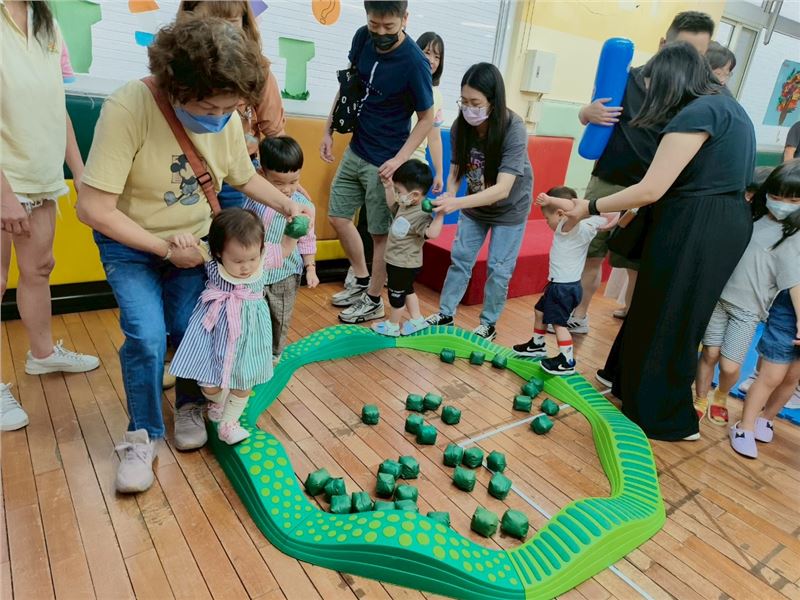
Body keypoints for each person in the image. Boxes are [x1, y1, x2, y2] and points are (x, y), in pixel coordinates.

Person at [77, 17, 309, 493]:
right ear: (176, 87)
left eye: (230, 108)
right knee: (145, 336)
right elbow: (93, 208)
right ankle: (143, 435)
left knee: (192, 326)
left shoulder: (226, 117)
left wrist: (287, 204)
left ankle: (189, 405)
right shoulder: (129, 107)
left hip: (197, 243)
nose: (220, 117)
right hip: (131, 244)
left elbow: (242, 175)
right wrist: (165, 249)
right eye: (208, 107)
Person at [563, 42, 756, 442]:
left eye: (653, 87)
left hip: (699, 224)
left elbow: (653, 187)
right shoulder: (726, 106)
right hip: (712, 220)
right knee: (656, 306)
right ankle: (629, 386)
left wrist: (590, 206)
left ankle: (664, 416)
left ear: (672, 82)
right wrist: (624, 210)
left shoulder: (699, 112)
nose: (651, 97)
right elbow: (675, 180)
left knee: (672, 314)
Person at [568, 10, 716, 333]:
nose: (688, 60)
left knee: (637, 265)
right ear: (663, 44)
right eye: (681, 49)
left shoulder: (692, 96)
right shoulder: (626, 78)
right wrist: (586, 112)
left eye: (697, 54)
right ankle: (579, 314)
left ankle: (631, 331)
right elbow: (589, 114)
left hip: (650, 191)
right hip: (608, 180)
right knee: (591, 253)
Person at [0, 0, 100, 432]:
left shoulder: (47, 24)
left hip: (41, 177)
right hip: (4, 177)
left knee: (39, 268)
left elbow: (57, 107)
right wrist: (4, 194)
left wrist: (81, 176)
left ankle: (42, 355)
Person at [321, 0, 434, 324]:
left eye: (389, 27)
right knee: (338, 216)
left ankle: (373, 299)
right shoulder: (362, 37)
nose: (380, 33)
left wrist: (399, 159)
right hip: (356, 148)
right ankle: (360, 279)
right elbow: (348, 85)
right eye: (374, 25)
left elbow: (427, 118)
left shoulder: (415, 62)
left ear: (404, 19)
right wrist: (329, 129)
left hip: (385, 161)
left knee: (380, 234)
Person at [168, 209, 297, 446]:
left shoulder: (264, 257)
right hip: (215, 328)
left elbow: (286, 247)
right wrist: (185, 238)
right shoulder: (210, 256)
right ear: (219, 252)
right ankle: (218, 401)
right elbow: (193, 244)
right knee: (208, 382)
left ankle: (229, 424)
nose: (246, 267)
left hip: (249, 331)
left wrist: (294, 230)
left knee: (244, 379)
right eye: (237, 261)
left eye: (252, 259)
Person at [425, 63, 534, 341]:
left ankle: (488, 324)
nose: (469, 109)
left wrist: (457, 203)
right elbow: (456, 170)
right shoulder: (461, 127)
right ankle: (445, 313)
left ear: (493, 102)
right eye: (464, 101)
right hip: (474, 205)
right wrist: (450, 194)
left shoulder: (513, 129)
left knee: (499, 268)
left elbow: (503, 189)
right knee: (460, 259)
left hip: (509, 208)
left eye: (476, 103)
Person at [694, 160, 800, 426]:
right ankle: (701, 397)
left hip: (749, 310)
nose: (782, 204)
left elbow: (794, 283)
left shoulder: (793, 236)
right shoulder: (750, 218)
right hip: (718, 299)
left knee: (730, 366)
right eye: (777, 197)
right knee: (709, 354)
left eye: (793, 200)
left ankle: (721, 394)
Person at [177, 0, 286, 209]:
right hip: (185, 165)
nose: (221, 30)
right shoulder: (178, 66)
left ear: (244, 23)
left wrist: (285, 180)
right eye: (210, 20)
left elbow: (275, 132)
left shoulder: (258, 69)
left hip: (237, 170)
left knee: (235, 227)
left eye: (232, 21)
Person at [513, 188, 618, 375]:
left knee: (558, 324)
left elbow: (571, 207)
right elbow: (610, 214)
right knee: (540, 311)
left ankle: (567, 360)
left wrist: (549, 199)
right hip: (566, 286)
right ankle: (537, 344)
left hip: (562, 287)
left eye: (547, 219)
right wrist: (612, 219)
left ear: (561, 214)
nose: (547, 223)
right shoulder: (590, 224)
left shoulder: (567, 227)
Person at [244, 136, 318, 362]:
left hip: (285, 272)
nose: (287, 190)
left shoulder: (304, 206)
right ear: (261, 174)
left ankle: (274, 354)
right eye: (278, 183)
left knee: (280, 314)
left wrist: (311, 267)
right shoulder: (253, 198)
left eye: (294, 181)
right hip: (256, 270)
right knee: (252, 313)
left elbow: (307, 239)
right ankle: (251, 354)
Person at [371, 159, 444, 337]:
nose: (397, 195)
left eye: (399, 191)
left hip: (404, 264)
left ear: (415, 195)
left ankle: (393, 325)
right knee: (408, 290)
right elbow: (392, 206)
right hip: (398, 261)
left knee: (396, 295)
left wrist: (440, 215)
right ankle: (418, 320)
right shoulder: (406, 204)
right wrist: (389, 187)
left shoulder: (421, 215)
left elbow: (432, 233)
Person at [730, 287, 800, 458]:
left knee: (792, 377)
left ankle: (766, 419)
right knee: (772, 376)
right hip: (790, 311)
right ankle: (744, 427)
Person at [411, 31, 446, 195]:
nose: (432, 60)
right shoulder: (402, 82)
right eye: (427, 52)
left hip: (416, 165)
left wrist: (439, 172)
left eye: (437, 57)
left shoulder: (437, 95)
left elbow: (434, 137)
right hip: (391, 158)